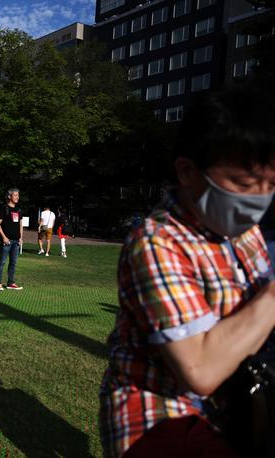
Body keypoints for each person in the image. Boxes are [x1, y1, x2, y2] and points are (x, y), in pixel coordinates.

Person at [99, 87, 275, 457]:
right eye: (243, 185)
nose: (258, 198)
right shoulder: (157, 241)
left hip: (236, 404)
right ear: (187, 171)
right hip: (161, 412)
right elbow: (199, 370)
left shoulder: (246, 233)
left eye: (270, 185)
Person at [0, 188, 23, 291]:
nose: (17, 197)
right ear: (9, 196)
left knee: (13, 262)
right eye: (15, 195)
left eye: (18, 195)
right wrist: (4, 237)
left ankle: (11, 283)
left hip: (16, 241)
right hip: (7, 241)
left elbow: (20, 224)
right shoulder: (4, 208)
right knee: (2, 261)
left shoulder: (19, 209)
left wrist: (20, 238)